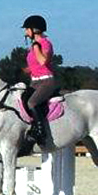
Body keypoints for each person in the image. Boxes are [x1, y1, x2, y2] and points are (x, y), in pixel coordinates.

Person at [22, 15, 58, 145]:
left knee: (32, 103)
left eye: (27, 29)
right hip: (35, 81)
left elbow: (43, 61)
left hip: (46, 82)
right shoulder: (33, 46)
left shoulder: (45, 43)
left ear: (34, 30)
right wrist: (23, 71)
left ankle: (41, 133)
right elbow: (34, 66)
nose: (25, 32)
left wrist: (36, 47)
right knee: (22, 99)